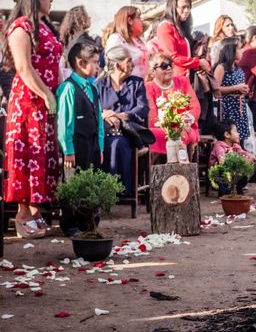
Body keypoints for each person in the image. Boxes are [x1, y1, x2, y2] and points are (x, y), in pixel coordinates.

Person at [2, 0, 63, 239]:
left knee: (43, 156)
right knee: (27, 156)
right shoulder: (20, 27)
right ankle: (22, 215)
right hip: (29, 102)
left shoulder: (44, 27)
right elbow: (24, 68)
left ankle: (36, 212)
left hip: (45, 102)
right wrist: (47, 94)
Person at [56, 42, 104, 236]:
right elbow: (64, 122)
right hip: (75, 145)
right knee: (73, 182)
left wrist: (100, 146)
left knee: (90, 180)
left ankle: (88, 221)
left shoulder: (93, 89)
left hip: (92, 143)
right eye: (94, 62)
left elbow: (99, 119)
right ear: (80, 62)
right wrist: (68, 149)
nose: (98, 66)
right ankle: (70, 223)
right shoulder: (68, 88)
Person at [94, 46, 149, 195]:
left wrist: (119, 116)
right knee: (109, 143)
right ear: (118, 65)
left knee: (118, 143)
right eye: (129, 61)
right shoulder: (99, 85)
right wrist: (105, 115)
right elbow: (93, 110)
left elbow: (142, 108)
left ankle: (121, 190)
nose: (133, 64)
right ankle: (106, 190)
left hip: (130, 133)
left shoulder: (136, 83)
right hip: (105, 132)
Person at [146, 52, 201, 160]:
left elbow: (195, 107)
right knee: (152, 135)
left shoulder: (183, 81)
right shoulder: (148, 87)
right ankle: (157, 172)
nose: (169, 68)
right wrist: (170, 125)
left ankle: (181, 172)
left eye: (170, 64)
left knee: (180, 134)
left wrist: (185, 120)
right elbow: (152, 117)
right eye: (163, 66)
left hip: (185, 126)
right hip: (160, 127)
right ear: (153, 71)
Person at [153, 0, 211, 76]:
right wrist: (198, 63)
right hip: (175, 79)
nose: (187, 11)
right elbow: (171, 57)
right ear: (173, 7)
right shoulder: (165, 27)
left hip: (188, 77)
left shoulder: (180, 28)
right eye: (183, 7)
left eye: (188, 7)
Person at [213, 37, 251, 143]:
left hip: (240, 107)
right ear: (230, 50)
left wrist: (244, 89)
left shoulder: (238, 67)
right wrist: (236, 88)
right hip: (228, 108)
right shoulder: (221, 67)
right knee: (230, 139)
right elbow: (216, 90)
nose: (242, 51)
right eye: (239, 48)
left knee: (240, 139)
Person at [105, 6, 149, 79]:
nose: (142, 20)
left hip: (143, 85)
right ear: (130, 20)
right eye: (139, 17)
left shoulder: (140, 40)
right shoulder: (116, 39)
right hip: (127, 86)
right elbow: (111, 67)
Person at [59, 5, 95, 72]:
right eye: (86, 16)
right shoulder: (83, 39)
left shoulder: (70, 38)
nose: (89, 18)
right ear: (81, 19)